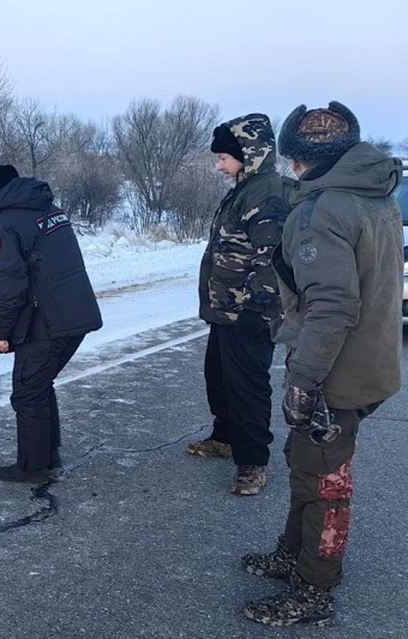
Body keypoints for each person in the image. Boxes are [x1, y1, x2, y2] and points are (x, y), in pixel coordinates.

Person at [242, 101, 403, 627]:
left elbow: (333, 304)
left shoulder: (321, 210)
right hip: (371, 364)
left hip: (335, 372)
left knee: (327, 483)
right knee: (308, 466)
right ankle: (294, 553)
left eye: (292, 161)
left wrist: (304, 380)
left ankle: (314, 589)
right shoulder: (375, 194)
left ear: (298, 159)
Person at [0, 164, 102, 483]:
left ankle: (31, 467)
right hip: (73, 312)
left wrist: (0, 333)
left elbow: (8, 288)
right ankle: (48, 455)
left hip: (47, 321)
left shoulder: (3, 225)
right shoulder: (46, 208)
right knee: (40, 386)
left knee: (28, 392)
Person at [188, 113, 290, 496]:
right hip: (226, 310)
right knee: (219, 377)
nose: (218, 165)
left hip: (249, 313)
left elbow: (271, 258)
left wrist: (255, 311)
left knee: (247, 387)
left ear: (247, 154)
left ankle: (252, 464)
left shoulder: (266, 193)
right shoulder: (245, 186)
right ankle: (225, 438)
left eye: (223, 158)